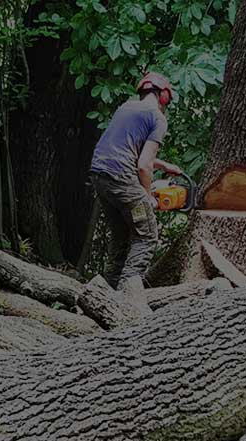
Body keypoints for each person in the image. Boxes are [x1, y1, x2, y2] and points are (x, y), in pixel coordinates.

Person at [89, 72, 183, 292]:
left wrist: (165, 166)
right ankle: (126, 296)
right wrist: (147, 195)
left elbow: (130, 151)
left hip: (100, 177)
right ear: (164, 96)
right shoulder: (158, 118)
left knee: (121, 236)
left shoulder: (126, 107)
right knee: (146, 236)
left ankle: (104, 292)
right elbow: (143, 166)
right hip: (122, 179)